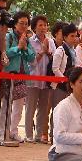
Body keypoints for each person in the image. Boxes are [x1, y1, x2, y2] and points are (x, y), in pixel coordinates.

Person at [0, 11, 34, 143]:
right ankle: (2, 132)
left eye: (26, 24)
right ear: (15, 24)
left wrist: (24, 48)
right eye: (21, 23)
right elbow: (4, 52)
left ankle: (13, 131)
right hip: (9, 74)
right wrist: (18, 47)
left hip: (22, 75)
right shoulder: (9, 36)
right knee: (6, 105)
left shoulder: (26, 39)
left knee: (19, 106)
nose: (24, 26)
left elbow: (32, 56)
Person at [25, 15, 55, 144]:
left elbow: (54, 59)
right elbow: (31, 62)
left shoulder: (51, 42)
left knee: (43, 108)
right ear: (34, 27)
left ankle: (39, 135)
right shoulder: (30, 41)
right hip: (33, 78)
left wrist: (48, 52)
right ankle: (28, 135)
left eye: (45, 25)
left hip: (46, 79)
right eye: (40, 25)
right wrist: (42, 52)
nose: (43, 28)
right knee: (30, 108)